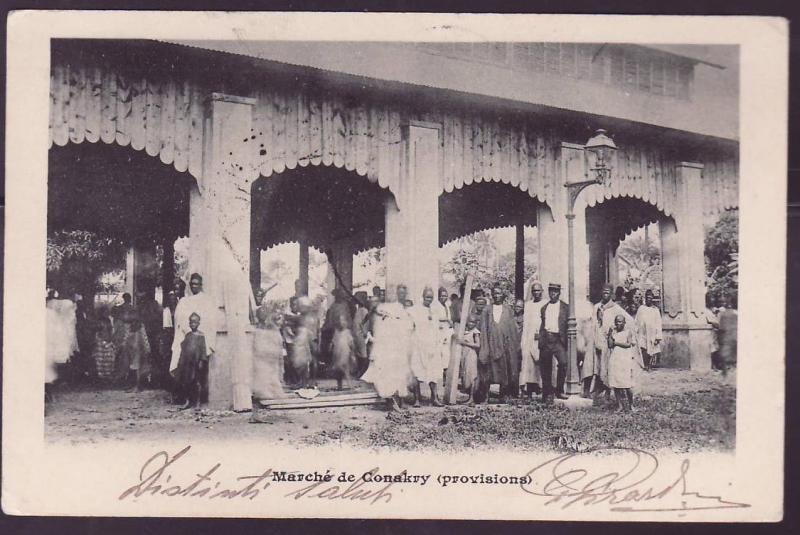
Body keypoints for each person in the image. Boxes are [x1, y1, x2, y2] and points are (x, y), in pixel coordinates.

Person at [361, 283, 414, 411]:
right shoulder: (385, 308)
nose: (402, 295)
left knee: (400, 374)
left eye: (404, 293)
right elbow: (381, 327)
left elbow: (408, 328)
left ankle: (398, 401)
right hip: (388, 346)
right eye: (399, 293)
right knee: (389, 374)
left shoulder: (403, 308)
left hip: (400, 346)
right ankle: (391, 402)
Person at [170, 274, 218, 401]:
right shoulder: (184, 301)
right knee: (183, 366)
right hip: (187, 340)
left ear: (201, 285)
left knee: (198, 370)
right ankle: (184, 397)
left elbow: (211, 322)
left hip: (201, 341)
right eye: (192, 284)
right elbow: (179, 321)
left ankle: (199, 398)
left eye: (196, 284)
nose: (194, 286)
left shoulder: (207, 301)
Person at [477, 285, 521, 403]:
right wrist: (485, 345)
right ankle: (485, 395)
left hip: (504, 346)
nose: (497, 296)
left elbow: (512, 330)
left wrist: (512, 346)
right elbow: (483, 328)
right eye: (494, 293)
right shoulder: (487, 310)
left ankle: (503, 395)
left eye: (499, 293)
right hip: (490, 344)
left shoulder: (508, 310)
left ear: (503, 295)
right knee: (488, 371)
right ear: (492, 295)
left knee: (504, 369)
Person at [592, 283, 632, 399]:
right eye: (603, 291)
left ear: (611, 294)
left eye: (608, 292)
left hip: (609, 343)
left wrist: (616, 334)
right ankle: (599, 390)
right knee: (598, 366)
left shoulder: (616, 308)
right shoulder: (596, 307)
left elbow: (628, 321)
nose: (605, 294)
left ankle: (610, 392)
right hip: (597, 340)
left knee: (609, 367)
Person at [410, 287, 445, 407]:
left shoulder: (435, 311)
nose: (429, 299)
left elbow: (437, 329)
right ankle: (417, 399)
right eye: (427, 297)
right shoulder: (415, 310)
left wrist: (437, 345)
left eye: (431, 297)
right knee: (417, 372)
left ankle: (434, 398)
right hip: (419, 345)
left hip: (432, 346)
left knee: (433, 373)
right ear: (423, 296)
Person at [538, 283, 568, 403]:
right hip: (546, 338)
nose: (553, 294)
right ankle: (547, 393)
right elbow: (542, 325)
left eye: (555, 292)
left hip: (558, 340)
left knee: (563, 363)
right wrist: (541, 339)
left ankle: (559, 390)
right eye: (551, 292)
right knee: (545, 366)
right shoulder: (544, 308)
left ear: (559, 293)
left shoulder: (565, 307)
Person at [607, 314, 643, 412]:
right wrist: (610, 333)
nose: (618, 323)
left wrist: (616, 343)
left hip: (625, 359)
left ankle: (631, 405)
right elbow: (610, 345)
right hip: (615, 359)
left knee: (627, 385)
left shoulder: (628, 332)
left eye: (620, 321)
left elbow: (628, 344)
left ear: (624, 323)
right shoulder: (614, 332)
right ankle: (620, 405)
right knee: (616, 383)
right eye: (616, 321)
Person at [252, 306, 287, 400]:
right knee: (265, 372)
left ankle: (270, 391)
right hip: (265, 355)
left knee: (271, 372)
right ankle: (265, 391)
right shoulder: (258, 331)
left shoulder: (272, 330)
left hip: (270, 354)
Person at [176, 312, 208, 410]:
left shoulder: (201, 336)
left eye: (195, 322)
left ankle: (197, 402)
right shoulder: (188, 335)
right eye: (191, 322)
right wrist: (181, 361)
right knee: (187, 382)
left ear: (198, 323)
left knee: (197, 382)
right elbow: (184, 348)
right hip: (187, 363)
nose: (192, 324)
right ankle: (188, 401)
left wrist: (201, 361)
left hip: (196, 362)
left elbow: (203, 349)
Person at [520, 281, 546, 399]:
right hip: (529, 337)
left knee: (540, 362)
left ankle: (540, 388)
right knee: (528, 363)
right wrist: (524, 341)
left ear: (542, 291)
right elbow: (526, 324)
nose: (536, 293)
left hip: (541, 337)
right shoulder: (528, 305)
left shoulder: (546, 304)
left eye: (538, 290)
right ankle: (529, 389)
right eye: (534, 291)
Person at [635, 289, 663, 371]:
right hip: (642, 332)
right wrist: (635, 331)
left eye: (650, 298)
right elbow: (637, 321)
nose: (649, 299)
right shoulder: (641, 308)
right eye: (647, 298)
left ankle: (649, 365)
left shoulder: (655, 310)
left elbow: (658, 323)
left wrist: (658, 336)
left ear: (652, 299)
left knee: (651, 349)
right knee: (643, 347)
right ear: (645, 298)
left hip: (652, 333)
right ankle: (644, 365)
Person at [457, 314, 481, 405]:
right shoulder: (464, 331)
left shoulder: (475, 332)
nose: (471, 324)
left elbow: (478, 345)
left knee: (472, 376)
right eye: (469, 322)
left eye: (473, 322)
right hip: (464, 355)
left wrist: (465, 343)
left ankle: (472, 398)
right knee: (465, 376)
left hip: (471, 355)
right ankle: (468, 397)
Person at [330, 312, 357, 391]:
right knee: (338, 371)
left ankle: (350, 385)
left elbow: (351, 343)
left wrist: (353, 354)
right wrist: (331, 347)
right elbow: (333, 342)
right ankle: (340, 386)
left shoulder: (347, 332)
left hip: (345, 352)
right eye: (340, 321)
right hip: (337, 353)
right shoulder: (336, 332)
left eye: (343, 321)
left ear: (346, 322)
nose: (341, 322)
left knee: (344, 368)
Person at [435, 286, 454, 381]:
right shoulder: (435, 305)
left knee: (446, 354)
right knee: (439, 353)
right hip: (439, 331)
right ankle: (438, 374)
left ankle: (445, 377)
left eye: (445, 296)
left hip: (446, 331)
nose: (444, 298)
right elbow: (434, 317)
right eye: (442, 296)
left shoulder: (446, 305)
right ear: (438, 296)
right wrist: (446, 319)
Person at [717, 294, 738, 374]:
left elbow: (720, 327)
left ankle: (725, 378)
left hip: (726, 337)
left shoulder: (723, 314)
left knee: (725, 359)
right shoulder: (737, 313)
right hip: (734, 337)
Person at [91, 316, 116, 383]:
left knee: (108, 362)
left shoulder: (109, 332)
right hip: (100, 350)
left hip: (107, 349)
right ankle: (101, 377)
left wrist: (109, 343)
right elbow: (95, 343)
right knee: (100, 363)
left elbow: (110, 339)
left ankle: (108, 376)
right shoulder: (97, 334)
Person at [352, 291, 371, 376]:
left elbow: (366, 323)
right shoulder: (358, 309)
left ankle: (362, 372)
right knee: (358, 353)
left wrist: (364, 332)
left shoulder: (364, 310)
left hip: (361, 334)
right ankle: (359, 370)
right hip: (356, 334)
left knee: (363, 354)